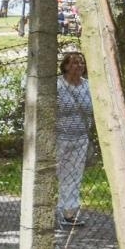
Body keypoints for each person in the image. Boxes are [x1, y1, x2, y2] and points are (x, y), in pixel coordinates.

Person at [55, 50, 93, 227]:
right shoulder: (57, 86)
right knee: (58, 175)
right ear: (65, 66)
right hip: (59, 138)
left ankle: (68, 214)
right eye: (74, 63)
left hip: (81, 138)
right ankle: (50, 209)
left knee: (74, 176)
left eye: (81, 63)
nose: (79, 66)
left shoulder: (88, 86)